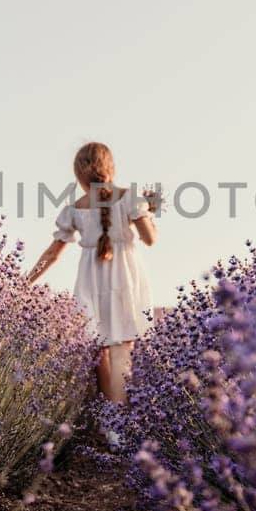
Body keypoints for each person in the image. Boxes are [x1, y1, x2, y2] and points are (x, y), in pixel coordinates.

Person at [26, 141, 157, 403]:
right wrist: (149, 213)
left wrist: (24, 282)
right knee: (122, 347)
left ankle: (110, 422)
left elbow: (52, 253)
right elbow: (150, 239)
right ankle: (122, 423)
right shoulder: (130, 198)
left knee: (100, 349)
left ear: (78, 177)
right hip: (125, 277)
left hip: (91, 279)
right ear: (111, 168)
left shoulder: (73, 209)